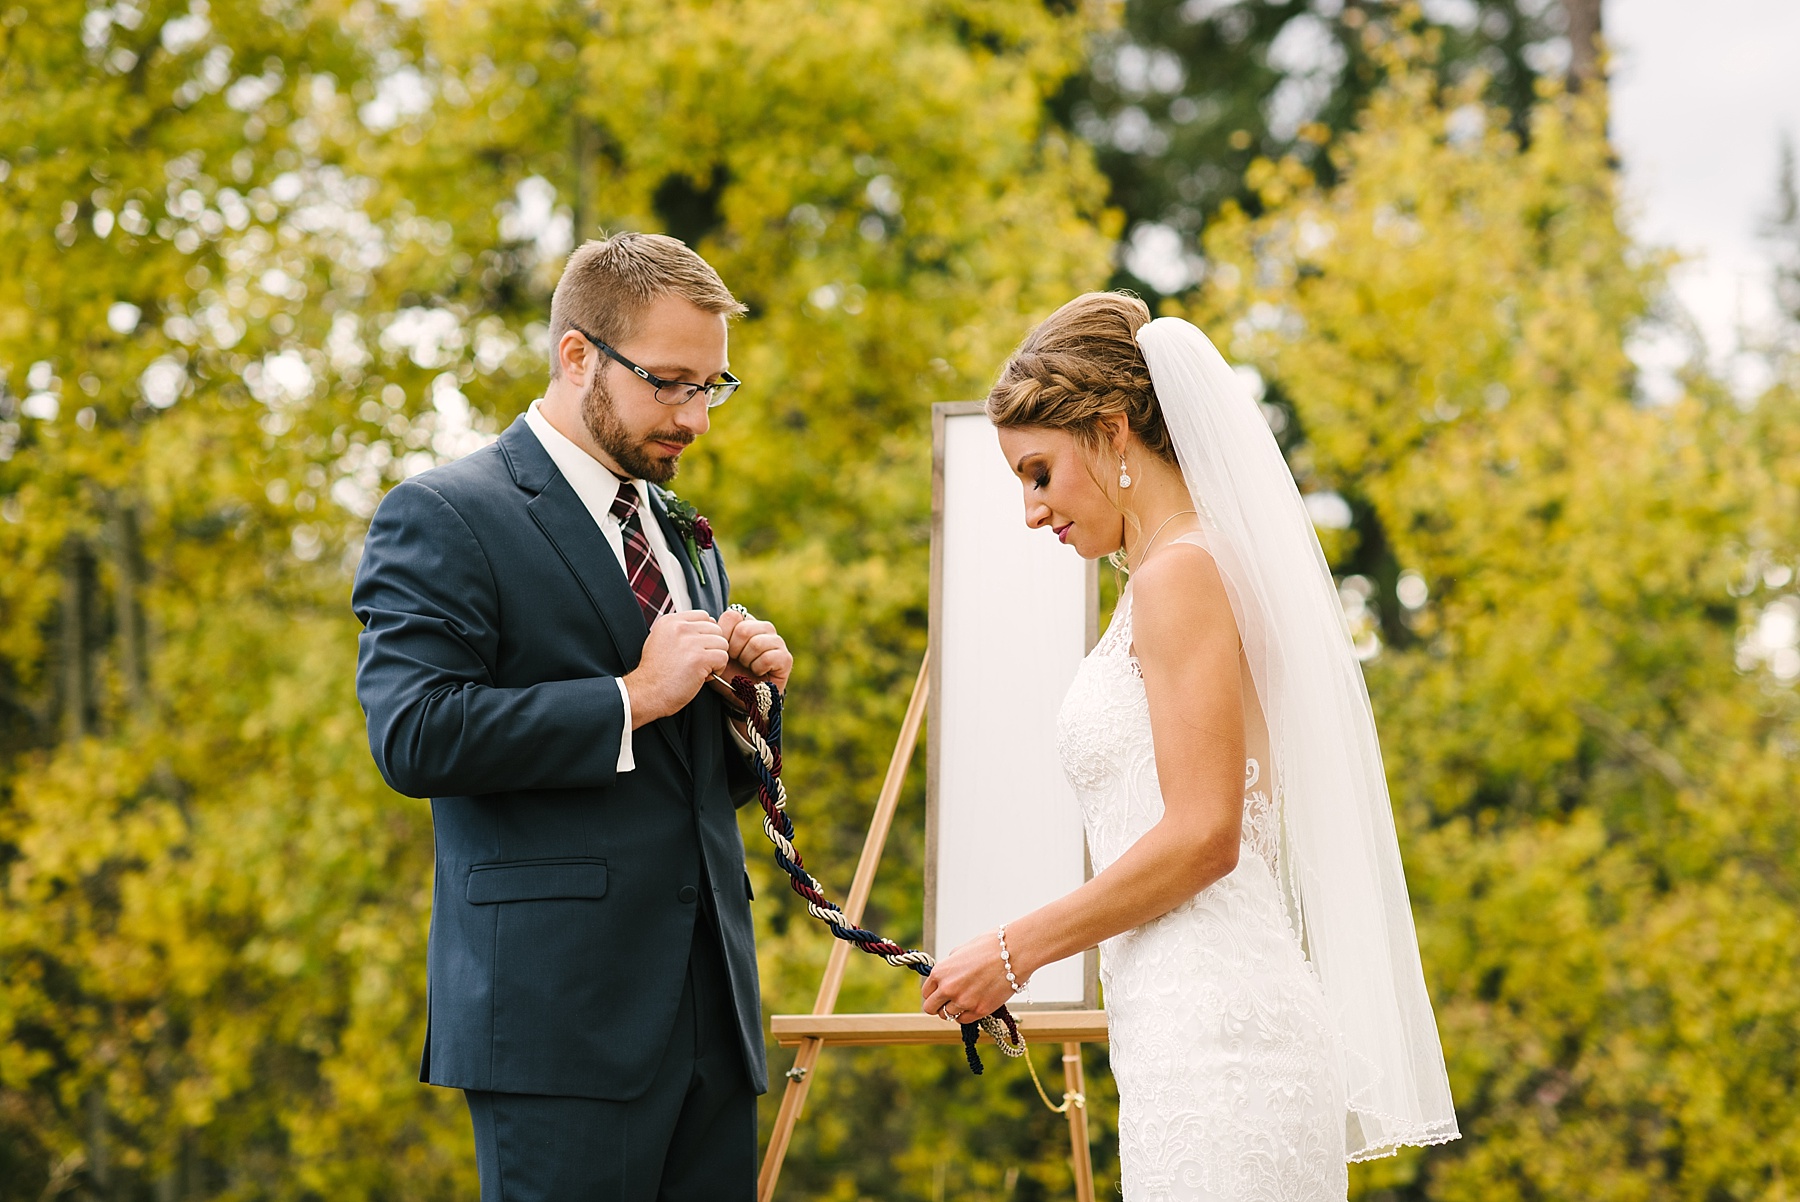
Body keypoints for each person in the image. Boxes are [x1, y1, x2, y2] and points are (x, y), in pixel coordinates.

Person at [921, 293, 1459, 1199]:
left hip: (1223, 1052)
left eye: (1040, 472)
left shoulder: (1183, 576)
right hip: (1187, 1039)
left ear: (1112, 431)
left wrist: (1012, 950)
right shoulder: (1182, 571)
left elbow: (1207, 833)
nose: (1030, 510)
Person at [352, 232, 791, 1201]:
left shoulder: (678, 527)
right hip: (558, 1025)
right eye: (670, 382)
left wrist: (751, 702)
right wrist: (633, 695)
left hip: (712, 1015)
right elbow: (415, 733)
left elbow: (695, 782)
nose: (695, 418)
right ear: (578, 354)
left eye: (712, 387)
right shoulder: (443, 513)